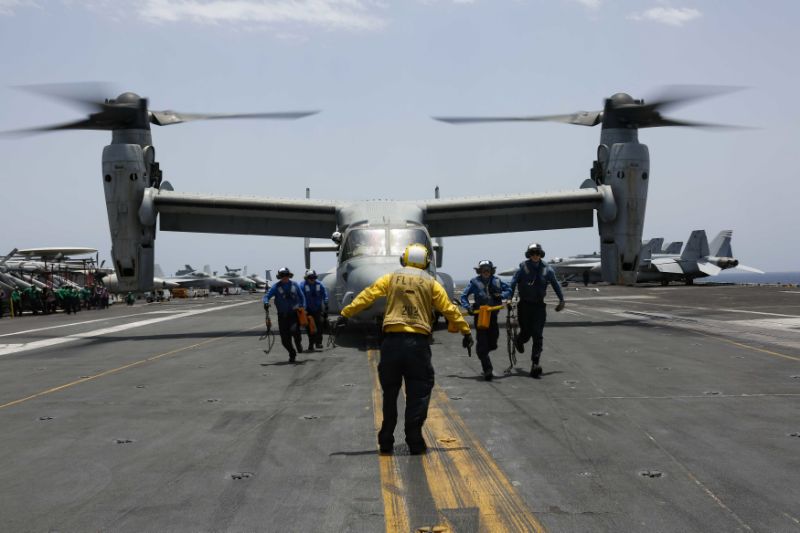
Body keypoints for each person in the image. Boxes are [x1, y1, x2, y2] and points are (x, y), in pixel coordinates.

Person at [338, 243, 473, 455]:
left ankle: (385, 440)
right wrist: (466, 331)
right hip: (417, 345)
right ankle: (414, 439)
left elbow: (368, 295)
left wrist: (345, 314)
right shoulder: (431, 282)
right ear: (426, 262)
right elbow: (449, 309)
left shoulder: (391, 278)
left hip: (391, 343)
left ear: (404, 259)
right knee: (418, 392)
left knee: (390, 393)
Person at [509, 243, 565, 378]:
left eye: (537, 253)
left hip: (539, 306)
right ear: (529, 254)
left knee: (538, 335)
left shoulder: (548, 270)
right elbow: (513, 283)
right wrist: (509, 298)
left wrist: (561, 300)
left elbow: (556, 285)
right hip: (525, 305)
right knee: (527, 333)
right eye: (533, 253)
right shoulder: (523, 268)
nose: (535, 255)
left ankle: (535, 364)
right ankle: (519, 340)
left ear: (541, 254)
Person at [460, 260, 511, 381]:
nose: (486, 271)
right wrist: (468, 307)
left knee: (493, 343)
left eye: (488, 269)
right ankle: (487, 369)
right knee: (482, 344)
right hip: (480, 316)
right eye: (483, 269)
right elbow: (463, 296)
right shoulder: (474, 282)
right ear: (480, 271)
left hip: (493, 316)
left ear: (491, 270)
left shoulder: (497, 281)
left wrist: (501, 296)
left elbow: (509, 290)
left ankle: (482, 351)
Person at [264, 267, 307, 362]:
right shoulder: (276, 287)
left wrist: (303, 307)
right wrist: (266, 302)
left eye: (286, 275)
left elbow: (302, 297)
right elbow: (267, 296)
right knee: (284, 340)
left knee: (295, 331)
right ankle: (292, 353)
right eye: (282, 275)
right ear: (280, 276)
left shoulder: (295, 285)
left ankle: (298, 343)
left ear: (289, 275)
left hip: (294, 314)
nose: (285, 277)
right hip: (282, 316)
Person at [299, 269, 328, 351]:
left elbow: (324, 293)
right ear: (306, 278)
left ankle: (318, 342)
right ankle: (311, 343)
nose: (312, 279)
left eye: (313, 277)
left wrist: (326, 302)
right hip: (307, 310)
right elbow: (300, 296)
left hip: (318, 309)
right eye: (310, 277)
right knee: (309, 327)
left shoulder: (319, 284)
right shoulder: (302, 285)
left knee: (319, 325)